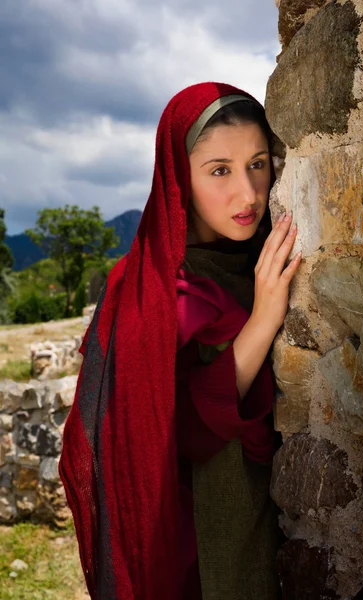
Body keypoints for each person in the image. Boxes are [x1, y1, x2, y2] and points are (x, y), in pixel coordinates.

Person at [59, 82, 301, 600]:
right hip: (186, 548)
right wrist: (260, 322)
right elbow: (175, 432)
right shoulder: (145, 291)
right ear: (178, 179)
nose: (248, 193)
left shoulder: (272, 257)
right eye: (220, 171)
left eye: (258, 164)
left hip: (278, 526)